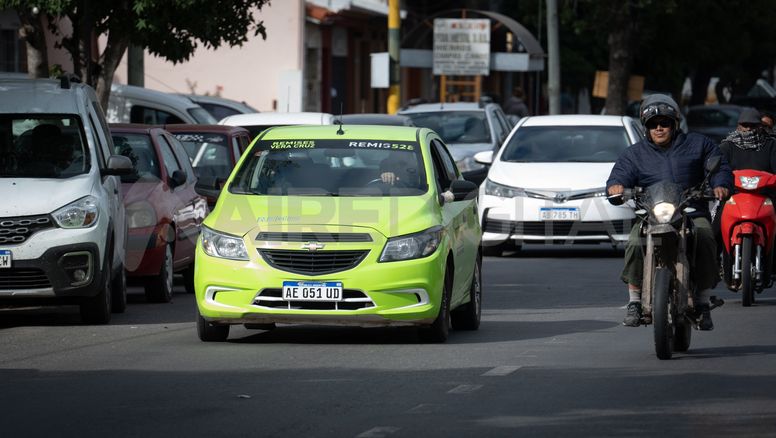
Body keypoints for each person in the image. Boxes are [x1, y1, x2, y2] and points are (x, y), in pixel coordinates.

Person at [606, 94, 732, 331]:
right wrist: (616, 186)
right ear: (646, 128)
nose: (659, 128)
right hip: (651, 213)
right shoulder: (635, 154)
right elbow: (619, 175)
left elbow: (719, 165)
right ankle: (634, 302)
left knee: (705, 237)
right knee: (634, 241)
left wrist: (720, 183)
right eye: (653, 124)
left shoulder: (698, 144)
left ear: (675, 124)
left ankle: (703, 302)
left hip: (691, 210)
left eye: (664, 122)